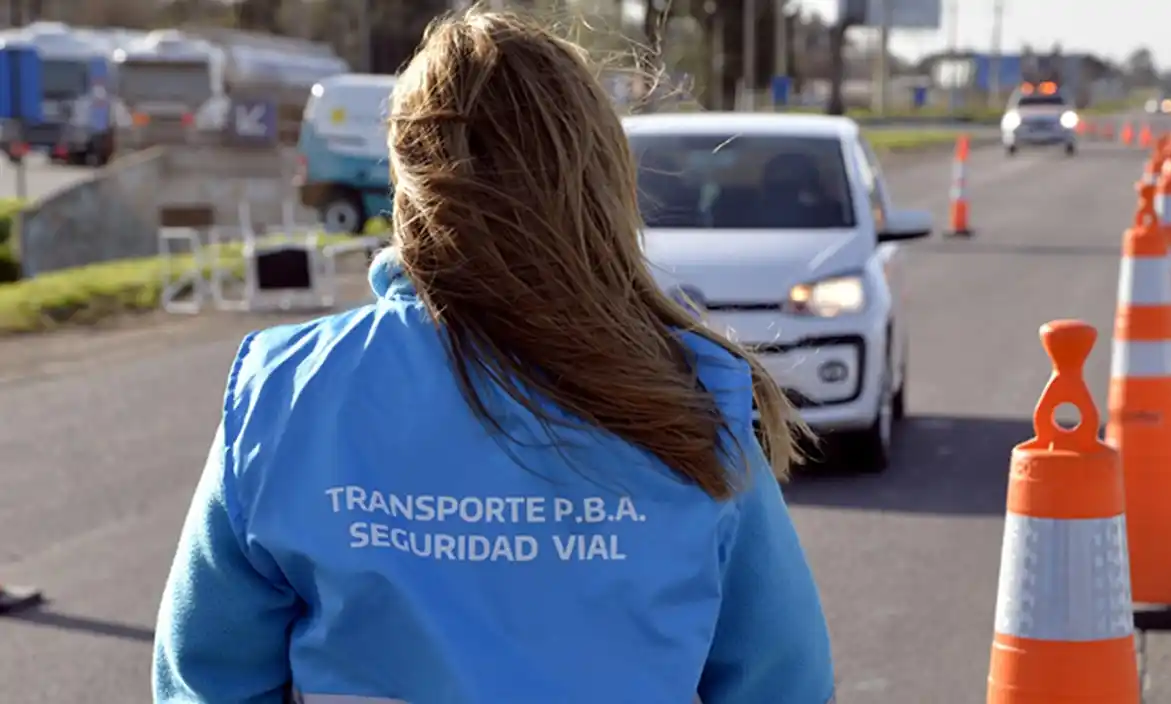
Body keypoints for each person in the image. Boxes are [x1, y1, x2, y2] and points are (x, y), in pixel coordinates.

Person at [153, 9, 834, 704]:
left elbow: (206, 679)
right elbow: (783, 682)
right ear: (599, 178)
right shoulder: (687, 399)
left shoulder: (288, 393)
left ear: (408, 177)